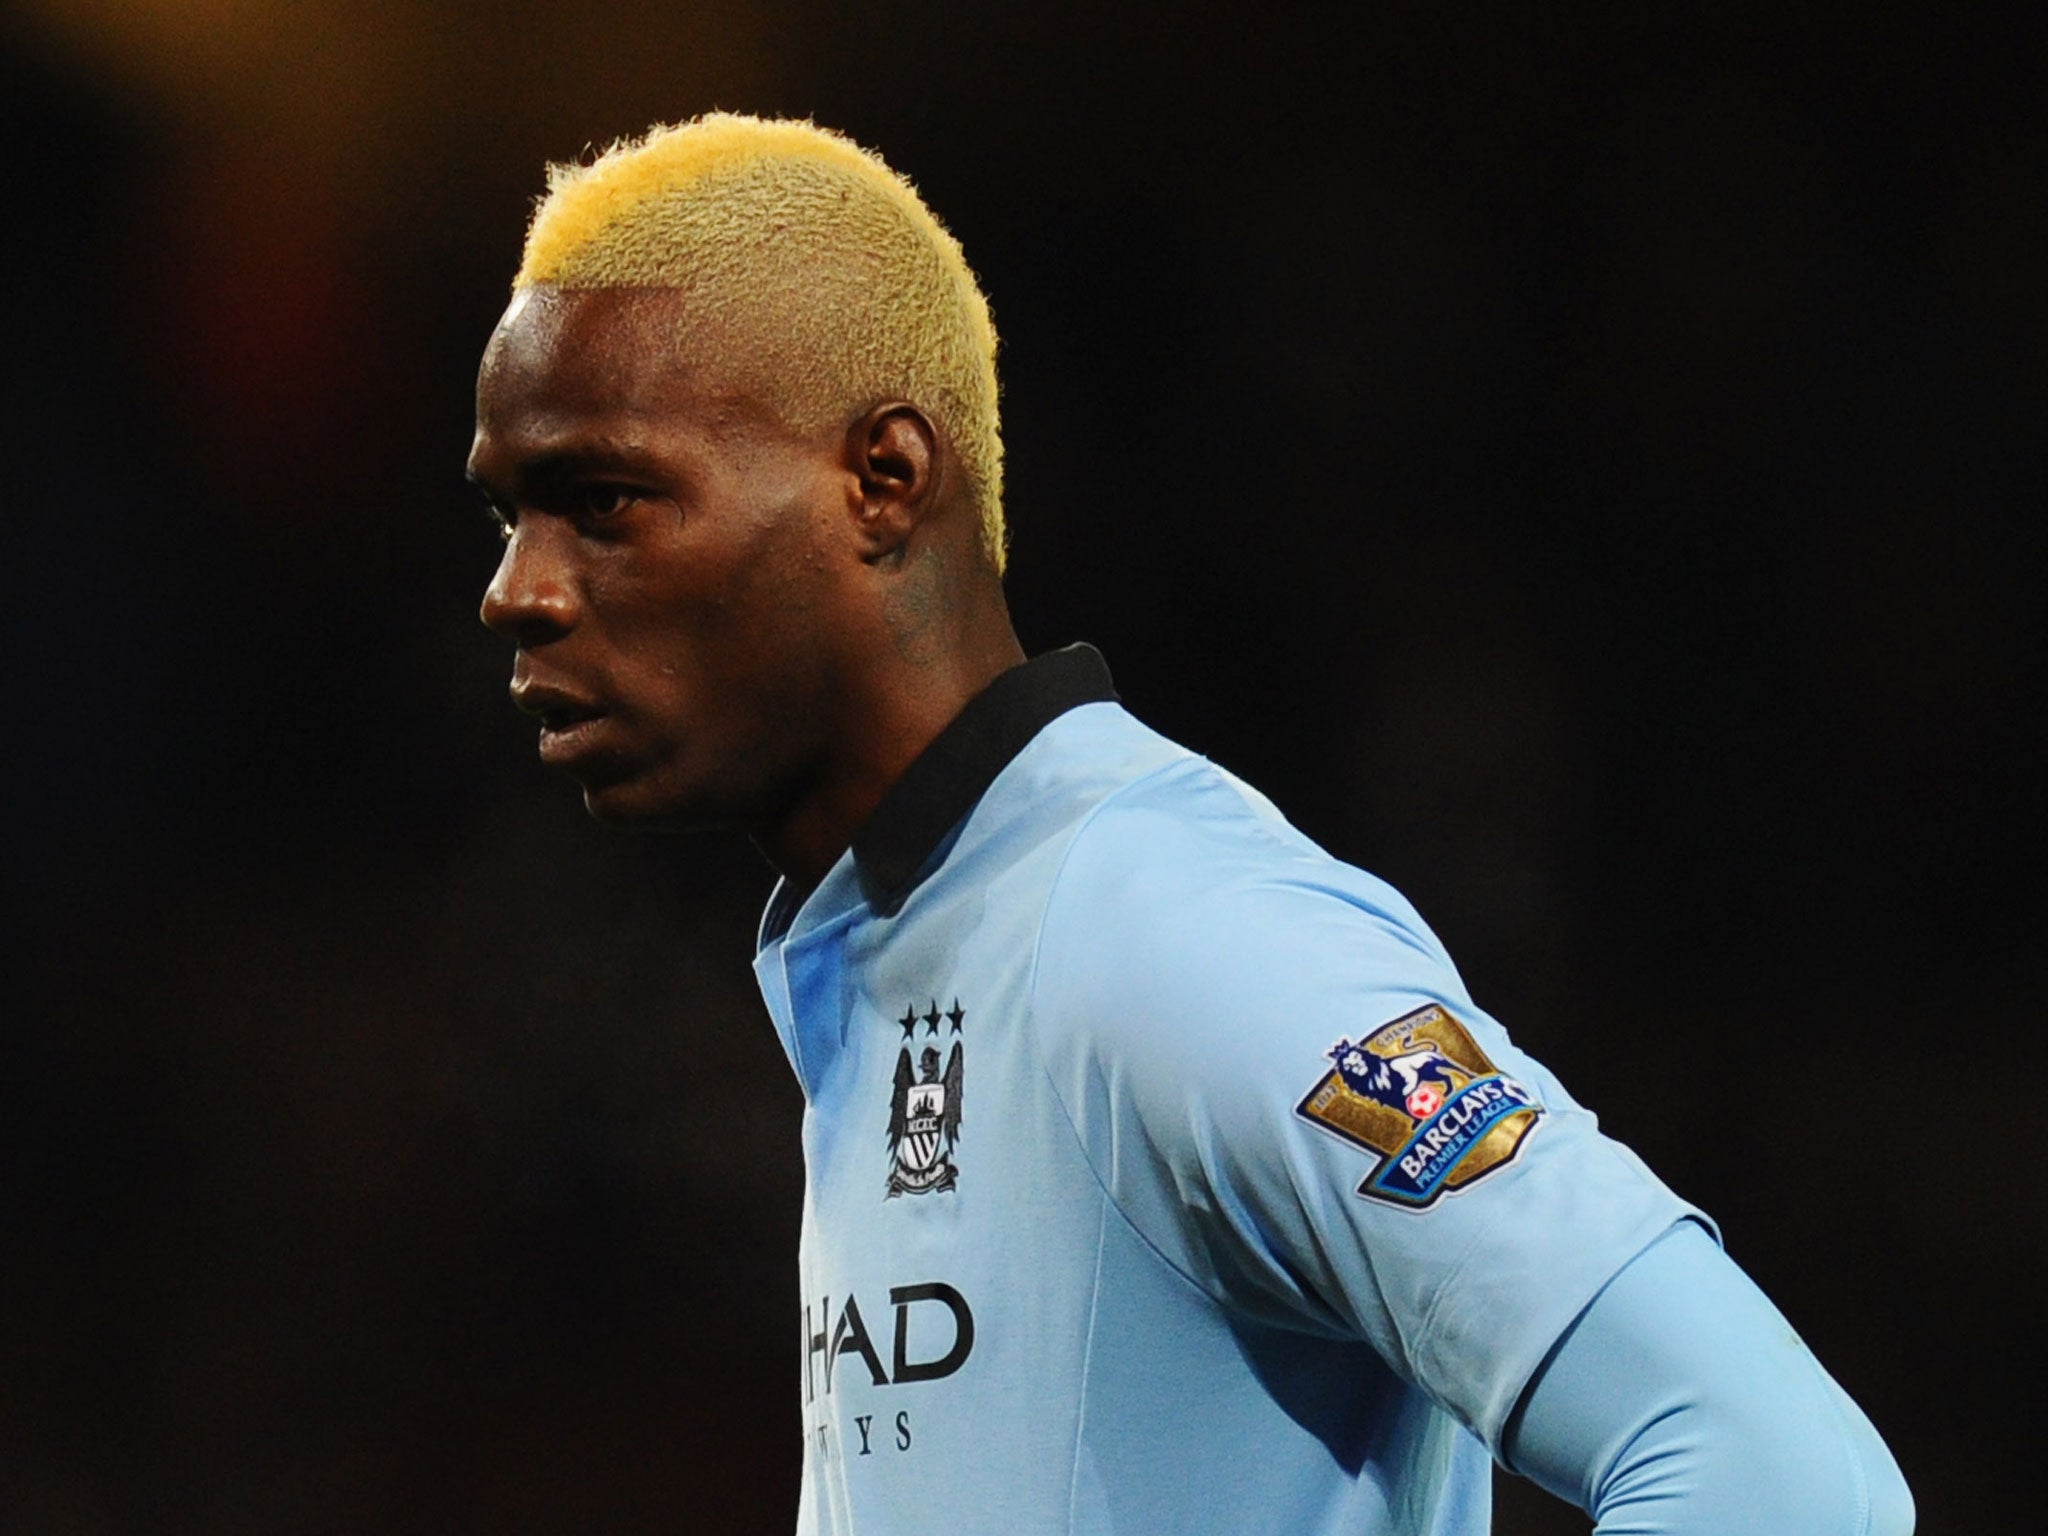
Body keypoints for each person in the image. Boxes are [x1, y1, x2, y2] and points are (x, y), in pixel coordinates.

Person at [469, 114, 1912, 1535]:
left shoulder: (1170, 929)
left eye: (602, 499)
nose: (517, 590)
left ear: (884, 480)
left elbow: (1782, 1478)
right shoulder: (913, 944)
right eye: (507, 518)